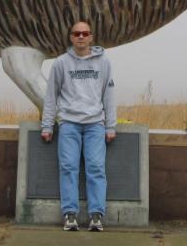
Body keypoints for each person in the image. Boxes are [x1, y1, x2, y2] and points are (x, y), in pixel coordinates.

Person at [41, 21, 117, 232]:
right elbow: (51, 96)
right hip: (69, 124)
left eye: (85, 33)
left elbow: (109, 94)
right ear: (71, 38)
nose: (81, 37)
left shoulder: (103, 62)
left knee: (96, 168)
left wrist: (110, 126)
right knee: (68, 168)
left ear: (91, 37)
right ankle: (70, 215)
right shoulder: (61, 63)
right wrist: (47, 125)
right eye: (77, 34)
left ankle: (96, 215)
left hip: (95, 124)